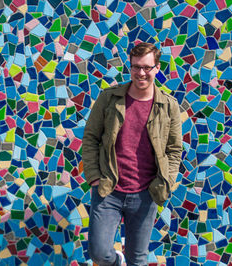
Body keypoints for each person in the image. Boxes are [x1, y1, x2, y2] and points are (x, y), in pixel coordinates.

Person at [82, 42, 182, 266]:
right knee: (99, 253)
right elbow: (90, 138)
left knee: (137, 260)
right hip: (109, 189)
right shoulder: (110, 98)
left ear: (157, 68)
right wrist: (95, 177)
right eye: (136, 67)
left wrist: (167, 181)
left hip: (146, 194)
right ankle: (117, 262)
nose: (141, 73)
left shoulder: (168, 106)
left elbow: (174, 149)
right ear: (130, 67)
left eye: (147, 67)